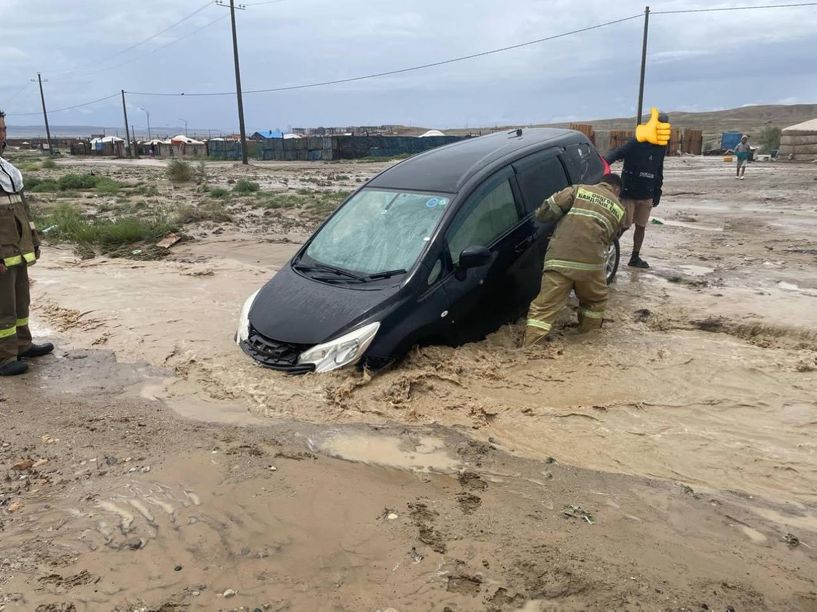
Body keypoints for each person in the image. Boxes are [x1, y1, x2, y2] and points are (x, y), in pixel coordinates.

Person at [523, 174, 624, 347]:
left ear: (601, 182)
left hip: (560, 261)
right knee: (595, 302)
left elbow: (546, 210)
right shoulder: (620, 209)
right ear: (616, 190)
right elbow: (611, 238)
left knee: (544, 308)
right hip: (591, 266)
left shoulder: (578, 190)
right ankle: (585, 343)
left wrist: (542, 217)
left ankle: (530, 347)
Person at [0, 109, 55, 376]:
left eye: (3, 129)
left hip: (17, 251)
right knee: (3, 308)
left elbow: (23, 211)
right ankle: (4, 358)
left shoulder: (8, 170)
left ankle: (22, 344)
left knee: (21, 302)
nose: (1, 135)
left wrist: (33, 241)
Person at [604, 109, 669, 269]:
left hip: (647, 193)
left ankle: (634, 257)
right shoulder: (636, 143)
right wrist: (603, 166)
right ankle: (605, 249)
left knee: (641, 226)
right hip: (629, 192)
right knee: (623, 226)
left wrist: (657, 191)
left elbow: (659, 169)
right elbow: (616, 153)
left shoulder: (661, 147)